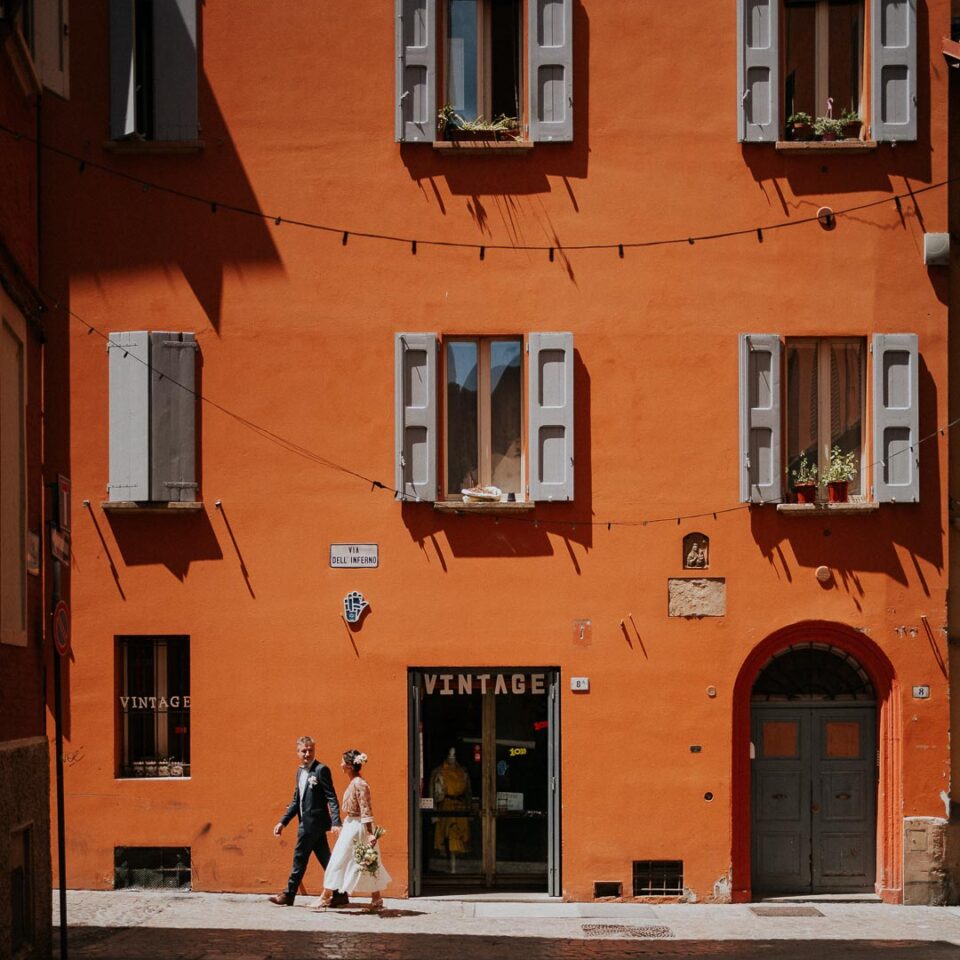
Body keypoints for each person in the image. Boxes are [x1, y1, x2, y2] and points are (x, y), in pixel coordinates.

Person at [269, 735, 347, 907]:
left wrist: (336, 822)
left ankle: (289, 895)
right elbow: (297, 800)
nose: (307, 754)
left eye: (310, 750)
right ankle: (340, 894)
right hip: (308, 824)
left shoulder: (321, 770)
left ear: (314, 751)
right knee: (327, 859)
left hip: (312, 825)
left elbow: (331, 797)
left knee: (299, 858)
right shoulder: (299, 772)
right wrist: (283, 821)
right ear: (297, 752)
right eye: (303, 751)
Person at [318, 749, 391, 912]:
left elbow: (366, 808)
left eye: (343, 762)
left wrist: (370, 832)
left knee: (342, 859)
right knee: (366, 861)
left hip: (358, 826)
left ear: (350, 766)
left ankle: (325, 896)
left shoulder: (359, 784)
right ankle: (376, 897)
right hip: (352, 824)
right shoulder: (355, 782)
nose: (341, 765)